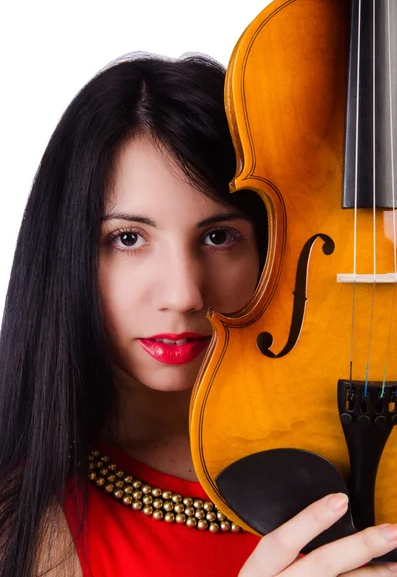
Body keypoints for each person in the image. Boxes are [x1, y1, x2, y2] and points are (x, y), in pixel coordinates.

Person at [0, 53, 396, 577]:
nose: (185, 294)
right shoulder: (20, 520)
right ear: (66, 253)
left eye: (218, 236)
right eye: (128, 239)